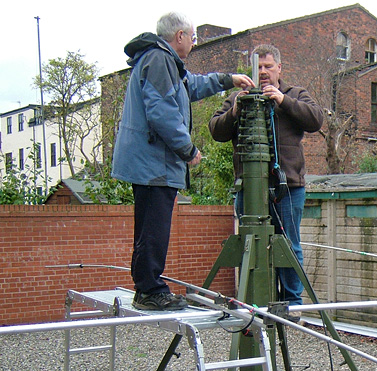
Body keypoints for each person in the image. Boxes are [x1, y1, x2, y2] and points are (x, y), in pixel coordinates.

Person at [112, 12, 253, 311]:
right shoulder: (159, 60)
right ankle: (150, 291)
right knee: (154, 228)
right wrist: (188, 150)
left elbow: (192, 86)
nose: (193, 42)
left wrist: (228, 80)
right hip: (154, 164)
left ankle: (146, 287)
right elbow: (162, 112)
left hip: (151, 163)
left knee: (149, 227)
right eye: (192, 37)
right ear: (179, 36)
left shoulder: (162, 61)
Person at [209, 44, 324, 319]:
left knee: (289, 245)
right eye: (258, 67)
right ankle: (253, 301)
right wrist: (235, 110)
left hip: (288, 188)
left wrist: (283, 101)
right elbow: (216, 129)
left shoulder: (294, 94)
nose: (262, 72)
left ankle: (292, 304)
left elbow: (316, 119)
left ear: (279, 68)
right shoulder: (238, 98)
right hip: (249, 188)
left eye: (268, 66)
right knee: (249, 243)